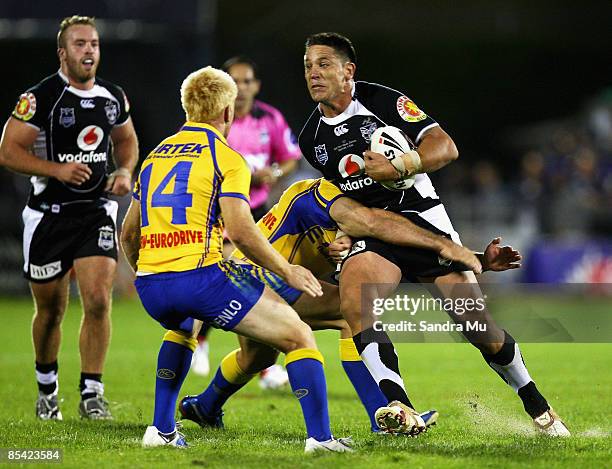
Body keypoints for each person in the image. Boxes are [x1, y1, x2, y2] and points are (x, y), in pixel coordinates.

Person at [298, 32, 570, 436]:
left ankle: (537, 405)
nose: (314, 73)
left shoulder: (381, 102)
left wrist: (402, 165)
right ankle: (400, 406)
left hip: (424, 222)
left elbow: (445, 147)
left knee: (479, 330)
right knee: (356, 301)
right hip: (376, 233)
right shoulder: (310, 139)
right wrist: (342, 234)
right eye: (307, 66)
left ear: (347, 71)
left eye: (323, 64)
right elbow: (340, 196)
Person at [120, 66, 352, 452]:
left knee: (183, 327)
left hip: (151, 284)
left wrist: (145, 273)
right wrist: (288, 270)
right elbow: (242, 231)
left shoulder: (154, 157)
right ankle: (321, 440)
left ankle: (160, 430)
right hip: (201, 279)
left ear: (188, 107)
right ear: (227, 112)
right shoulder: (226, 157)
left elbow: (129, 234)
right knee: (298, 335)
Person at [178, 177, 521, 433]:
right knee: (350, 313)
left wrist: (477, 260)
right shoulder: (317, 195)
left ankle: (205, 406)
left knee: (258, 356)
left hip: (248, 282)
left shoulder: (358, 214)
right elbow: (318, 219)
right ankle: (384, 416)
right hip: (262, 277)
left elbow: (410, 255)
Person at [0, 15, 138, 420]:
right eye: (80, 44)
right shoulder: (40, 97)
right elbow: (8, 152)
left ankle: (92, 393)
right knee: (51, 311)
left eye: (94, 43)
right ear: (63, 53)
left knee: (97, 300)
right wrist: (56, 170)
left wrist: (125, 170)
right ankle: (47, 389)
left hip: (95, 211)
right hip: (48, 216)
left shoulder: (113, 96)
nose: (89, 50)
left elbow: (127, 141)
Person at [191, 56, 302, 385]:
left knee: (253, 281)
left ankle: (258, 363)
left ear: (256, 85)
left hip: (257, 212)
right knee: (226, 276)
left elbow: (290, 158)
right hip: (217, 211)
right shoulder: (214, 119)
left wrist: (275, 173)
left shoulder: (270, 119)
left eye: (247, 81)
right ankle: (198, 340)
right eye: (234, 81)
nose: (241, 88)